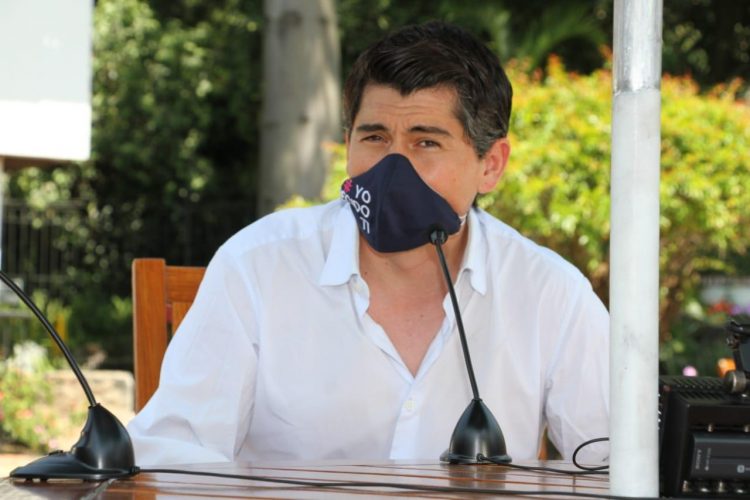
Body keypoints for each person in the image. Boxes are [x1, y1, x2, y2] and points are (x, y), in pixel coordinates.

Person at [128, 21, 609, 466]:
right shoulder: (257, 266)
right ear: (348, 144)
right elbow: (173, 453)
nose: (391, 168)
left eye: (425, 142)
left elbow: (614, 463)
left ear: (491, 165)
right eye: (375, 137)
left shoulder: (550, 293)